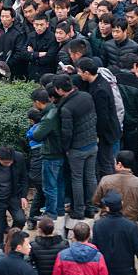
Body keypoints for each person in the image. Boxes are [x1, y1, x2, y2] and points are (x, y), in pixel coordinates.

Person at [53, 74, 98, 220]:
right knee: (90, 177)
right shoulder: (87, 96)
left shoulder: (67, 108)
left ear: (60, 90)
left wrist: (65, 148)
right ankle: (91, 208)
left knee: (77, 179)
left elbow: (67, 133)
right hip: (92, 144)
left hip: (77, 149)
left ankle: (78, 210)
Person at [77, 58, 121, 181]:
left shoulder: (100, 90)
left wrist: (97, 135)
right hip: (109, 129)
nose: (78, 74)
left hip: (106, 133)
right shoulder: (100, 81)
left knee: (105, 162)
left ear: (86, 73)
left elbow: (102, 117)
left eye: (79, 72)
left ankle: (110, 192)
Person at [30, 87, 65, 221]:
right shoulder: (55, 109)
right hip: (60, 153)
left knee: (50, 186)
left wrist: (33, 131)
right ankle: (59, 209)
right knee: (60, 184)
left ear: (38, 102)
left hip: (51, 154)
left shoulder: (49, 116)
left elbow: (37, 135)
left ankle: (51, 212)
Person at [92, 150, 138, 222]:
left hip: (108, 221)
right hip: (130, 222)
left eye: (115, 162)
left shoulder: (105, 180)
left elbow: (95, 201)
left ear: (119, 164)